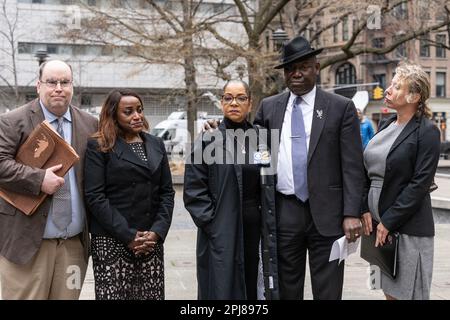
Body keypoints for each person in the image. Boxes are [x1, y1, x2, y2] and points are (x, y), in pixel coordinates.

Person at [254, 36, 365, 300]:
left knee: (328, 292)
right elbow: (254, 154)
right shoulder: (268, 108)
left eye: (303, 66)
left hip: (328, 214)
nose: (296, 73)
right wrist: (219, 133)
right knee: (286, 290)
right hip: (284, 212)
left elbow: (352, 166)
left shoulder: (340, 108)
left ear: (317, 67)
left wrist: (352, 213)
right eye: (290, 69)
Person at [0, 60, 98, 299]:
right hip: (27, 245)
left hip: (73, 246)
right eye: (51, 82)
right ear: (38, 86)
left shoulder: (90, 124)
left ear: (72, 86)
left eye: (64, 82)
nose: (58, 88)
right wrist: (38, 179)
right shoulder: (13, 121)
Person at [184, 80, 276, 300]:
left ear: (250, 103)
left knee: (254, 286)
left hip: (255, 229)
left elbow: (271, 180)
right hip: (222, 230)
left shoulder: (261, 139)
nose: (234, 103)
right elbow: (194, 189)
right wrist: (212, 224)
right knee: (222, 289)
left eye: (241, 98)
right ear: (222, 102)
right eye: (228, 98)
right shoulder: (209, 139)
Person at [84, 89, 174, 300]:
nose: (137, 116)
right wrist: (128, 235)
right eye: (128, 111)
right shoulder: (99, 145)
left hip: (149, 240)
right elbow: (95, 196)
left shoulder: (155, 143)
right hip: (112, 239)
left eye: (139, 110)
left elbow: (167, 193)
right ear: (113, 114)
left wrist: (157, 232)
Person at [360, 62, 440, 300]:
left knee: (408, 295)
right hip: (377, 226)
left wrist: (388, 221)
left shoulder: (427, 132)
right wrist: (364, 207)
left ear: (414, 96)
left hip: (407, 229)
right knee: (389, 293)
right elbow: (368, 170)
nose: (388, 90)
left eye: (396, 86)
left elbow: (420, 184)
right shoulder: (386, 124)